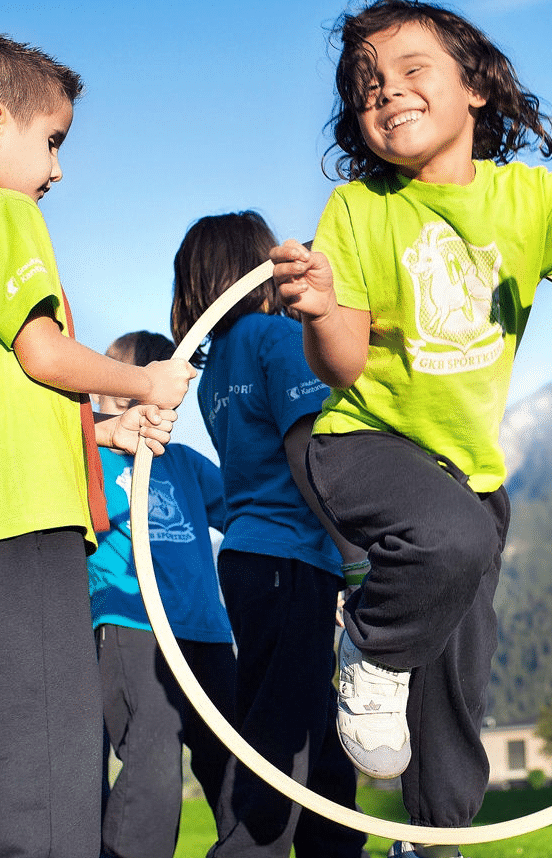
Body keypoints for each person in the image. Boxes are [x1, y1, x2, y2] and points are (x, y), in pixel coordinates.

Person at [270, 3, 552, 855]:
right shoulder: (356, 209)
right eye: (367, 86)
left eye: (413, 70)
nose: (388, 92)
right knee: (450, 537)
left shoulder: (528, 199)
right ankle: (372, 648)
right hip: (359, 448)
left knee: (460, 672)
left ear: (477, 90)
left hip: (467, 474)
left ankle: (435, 841)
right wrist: (317, 307)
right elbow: (341, 366)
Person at [0, 31, 194, 858]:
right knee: (45, 769)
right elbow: (44, 355)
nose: (57, 170)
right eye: (51, 140)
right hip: (19, 526)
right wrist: (147, 383)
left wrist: (104, 429)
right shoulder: (1, 210)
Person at [171, 211, 369, 858]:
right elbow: (303, 449)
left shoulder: (217, 367)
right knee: (283, 733)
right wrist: (349, 548)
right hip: (291, 558)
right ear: (256, 268)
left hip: (252, 561)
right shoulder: (275, 338)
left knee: (313, 729)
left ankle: (336, 848)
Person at [87, 330, 237, 858]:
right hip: (132, 624)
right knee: (153, 769)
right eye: (116, 388)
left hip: (204, 630)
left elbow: (239, 511)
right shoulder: (92, 457)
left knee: (235, 769)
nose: (128, 401)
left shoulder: (186, 462)